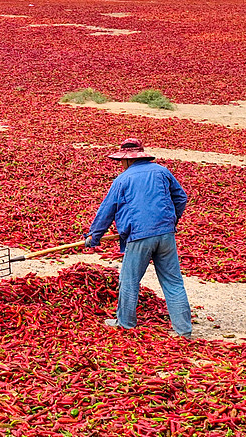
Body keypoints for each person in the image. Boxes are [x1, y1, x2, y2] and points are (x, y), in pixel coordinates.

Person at [85, 138, 192, 338]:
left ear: (126, 160)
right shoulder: (162, 172)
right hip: (166, 235)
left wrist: (94, 235)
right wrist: (170, 220)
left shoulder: (122, 180)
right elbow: (181, 198)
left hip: (139, 237)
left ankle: (125, 324)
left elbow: (107, 210)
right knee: (173, 282)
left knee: (129, 280)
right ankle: (184, 330)